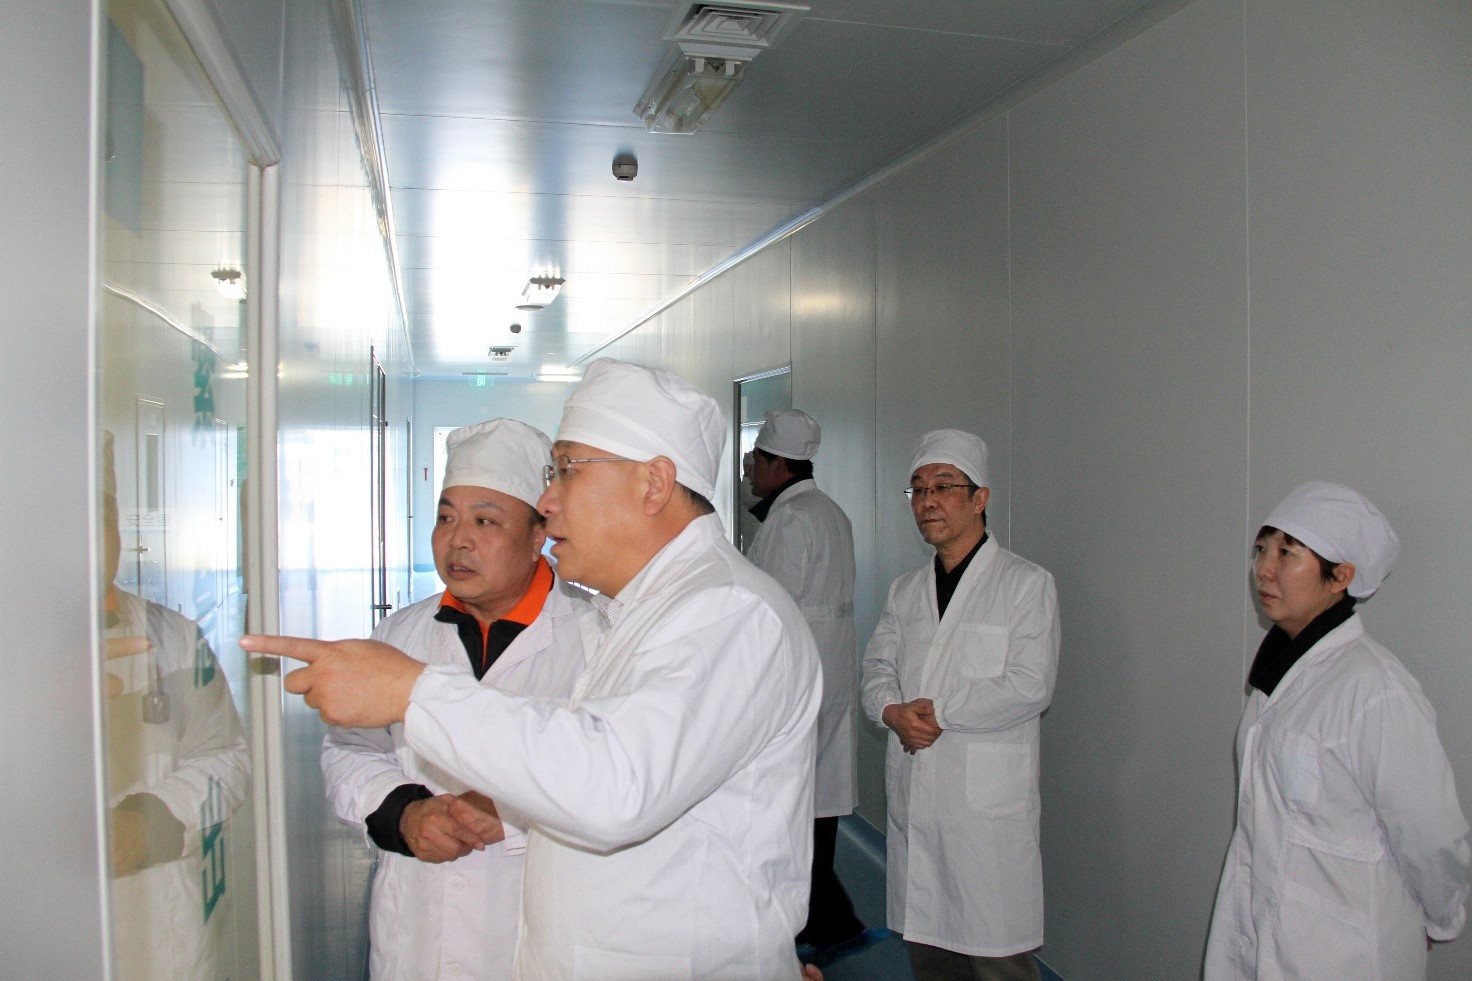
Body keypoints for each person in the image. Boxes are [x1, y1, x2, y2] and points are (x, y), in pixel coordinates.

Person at [243, 358, 823, 980]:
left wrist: (413, 692)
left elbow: (615, 784)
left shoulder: (727, 612)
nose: (549, 501)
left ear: (653, 484)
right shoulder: (644, 613)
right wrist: (408, 807)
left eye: (567, 471)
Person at [320, 419, 586, 979]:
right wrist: (402, 812)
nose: (457, 540)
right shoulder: (400, 634)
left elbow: (621, 780)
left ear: (537, 534)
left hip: (540, 937)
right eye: (446, 518)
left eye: (485, 521)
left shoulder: (595, 640)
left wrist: (514, 814)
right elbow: (348, 749)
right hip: (417, 935)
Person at [1203, 481, 1470, 980]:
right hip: (1265, 937)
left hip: (1345, 952)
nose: (1264, 569)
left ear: (1340, 576)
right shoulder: (1276, 678)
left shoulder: (1375, 690)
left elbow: (1430, 834)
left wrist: (1442, 915)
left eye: (1287, 553)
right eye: (1262, 549)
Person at [860, 429, 1059, 981]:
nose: (928, 501)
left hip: (984, 816)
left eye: (944, 486)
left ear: (980, 498)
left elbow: (1030, 684)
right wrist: (890, 712)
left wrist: (939, 712)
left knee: (998, 961)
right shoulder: (905, 590)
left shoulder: (1025, 584)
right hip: (919, 800)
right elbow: (876, 669)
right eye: (918, 489)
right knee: (931, 957)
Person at [102, 490, 251, 979]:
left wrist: (150, 824)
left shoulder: (175, 637)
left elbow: (227, 759)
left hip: (161, 932)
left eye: (100, 516)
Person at [745, 409, 873, 960]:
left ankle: (817, 918)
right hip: (832, 665)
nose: (750, 470)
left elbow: (769, 609)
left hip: (798, 674)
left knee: (795, 799)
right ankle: (831, 916)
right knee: (819, 796)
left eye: (756, 460)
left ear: (778, 464)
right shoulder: (830, 512)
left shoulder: (791, 521)